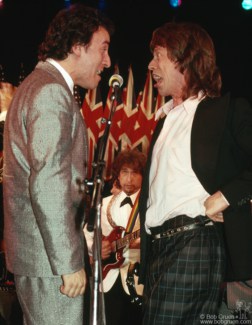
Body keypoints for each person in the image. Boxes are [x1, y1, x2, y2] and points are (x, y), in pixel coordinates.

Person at [3, 4, 114, 325]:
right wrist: (68, 262)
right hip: (52, 264)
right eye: (103, 49)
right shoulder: (51, 92)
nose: (107, 61)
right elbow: (48, 183)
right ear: (78, 46)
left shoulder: (38, 86)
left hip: (41, 259)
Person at [138, 21, 252, 324]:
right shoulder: (163, 121)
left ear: (183, 59)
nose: (150, 65)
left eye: (158, 55)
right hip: (159, 252)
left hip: (194, 242)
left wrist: (228, 196)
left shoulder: (226, 111)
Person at [84, 149, 146, 325]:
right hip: (107, 278)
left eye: (135, 173)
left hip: (138, 280)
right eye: (124, 172)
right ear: (117, 175)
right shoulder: (103, 204)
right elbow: (87, 234)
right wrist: (95, 248)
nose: (129, 178)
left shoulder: (150, 205)